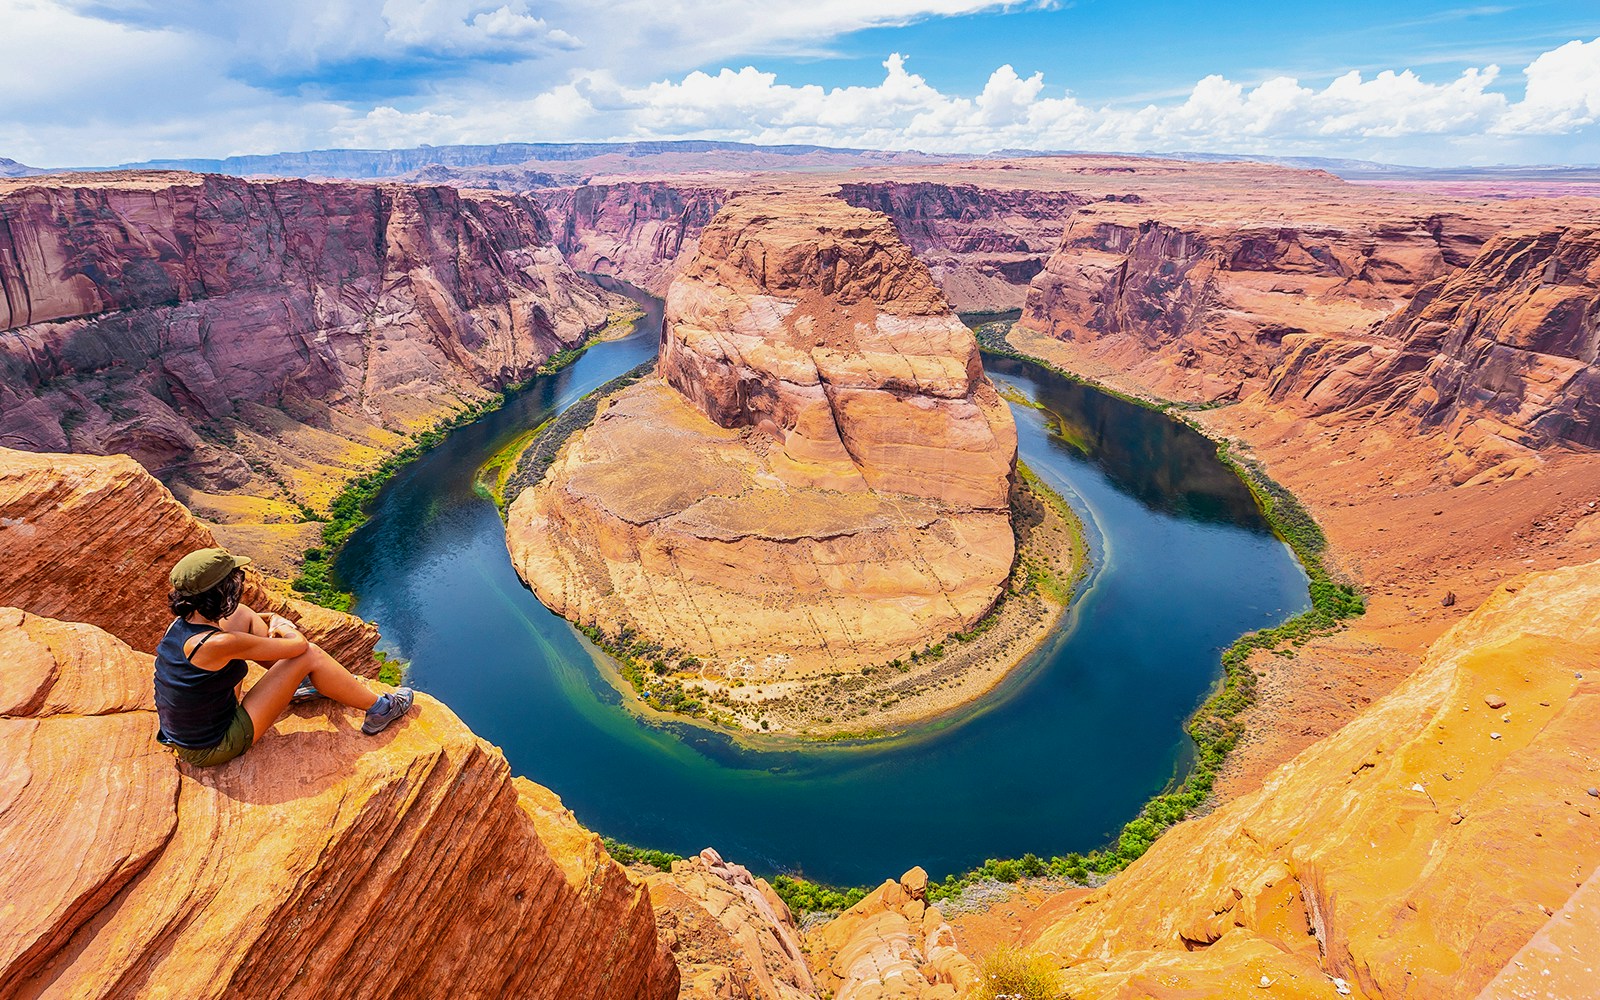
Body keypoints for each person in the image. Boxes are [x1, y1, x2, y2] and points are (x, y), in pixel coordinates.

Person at [154, 546, 413, 767]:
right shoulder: (218, 644)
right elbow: (299, 646)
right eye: (232, 579)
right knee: (309, 655)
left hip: (186, 731)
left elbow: (240, 626)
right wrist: (283, 625)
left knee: (242, 615)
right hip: (214, 745)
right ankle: (382, 709)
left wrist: (268, 618)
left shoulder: (180, 626)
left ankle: (294, 684)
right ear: (219, 591)